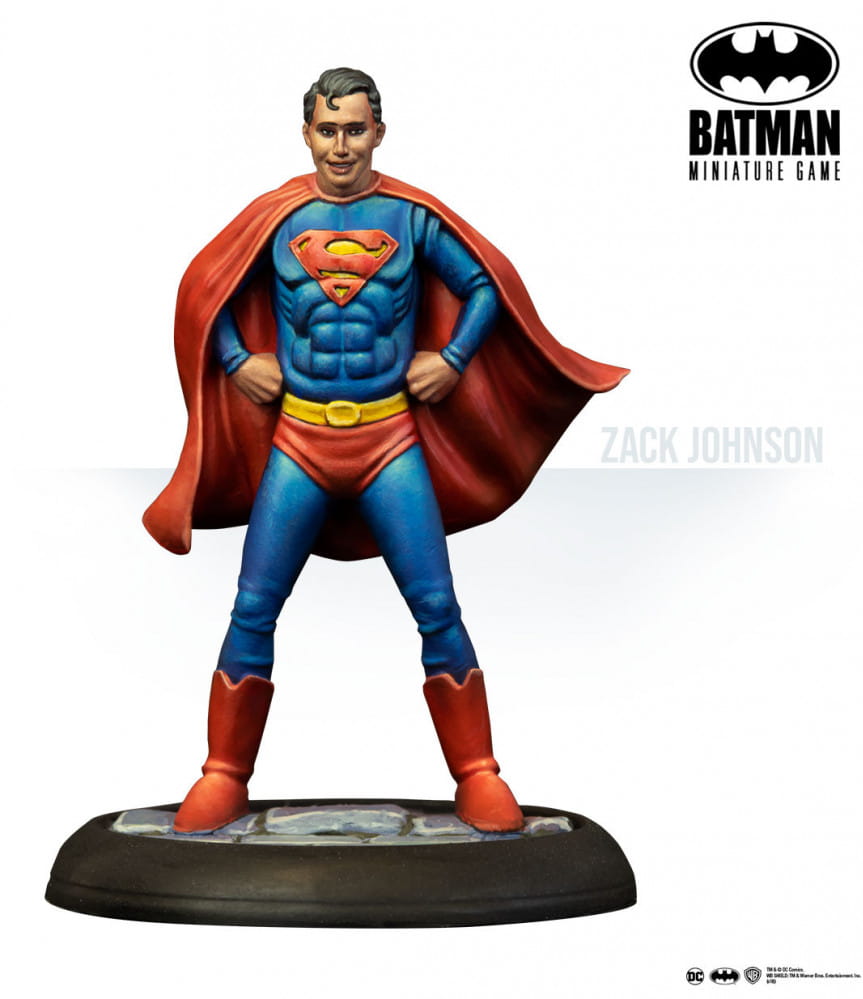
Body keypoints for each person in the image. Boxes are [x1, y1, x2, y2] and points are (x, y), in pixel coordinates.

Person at [144, 68, 628, 835]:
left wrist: (455, 358)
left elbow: (484, 287)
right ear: (306, 134)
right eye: (327, 130)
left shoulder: (411, 219)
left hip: (388, 438)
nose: (341, 145)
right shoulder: (277, 220)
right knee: (254, 604)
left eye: (354, 129)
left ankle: (479, 772)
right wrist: (236, 360)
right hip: (299, 439)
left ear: (378, 132)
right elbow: (208, 293)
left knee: (436, 604)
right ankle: (223, 774)